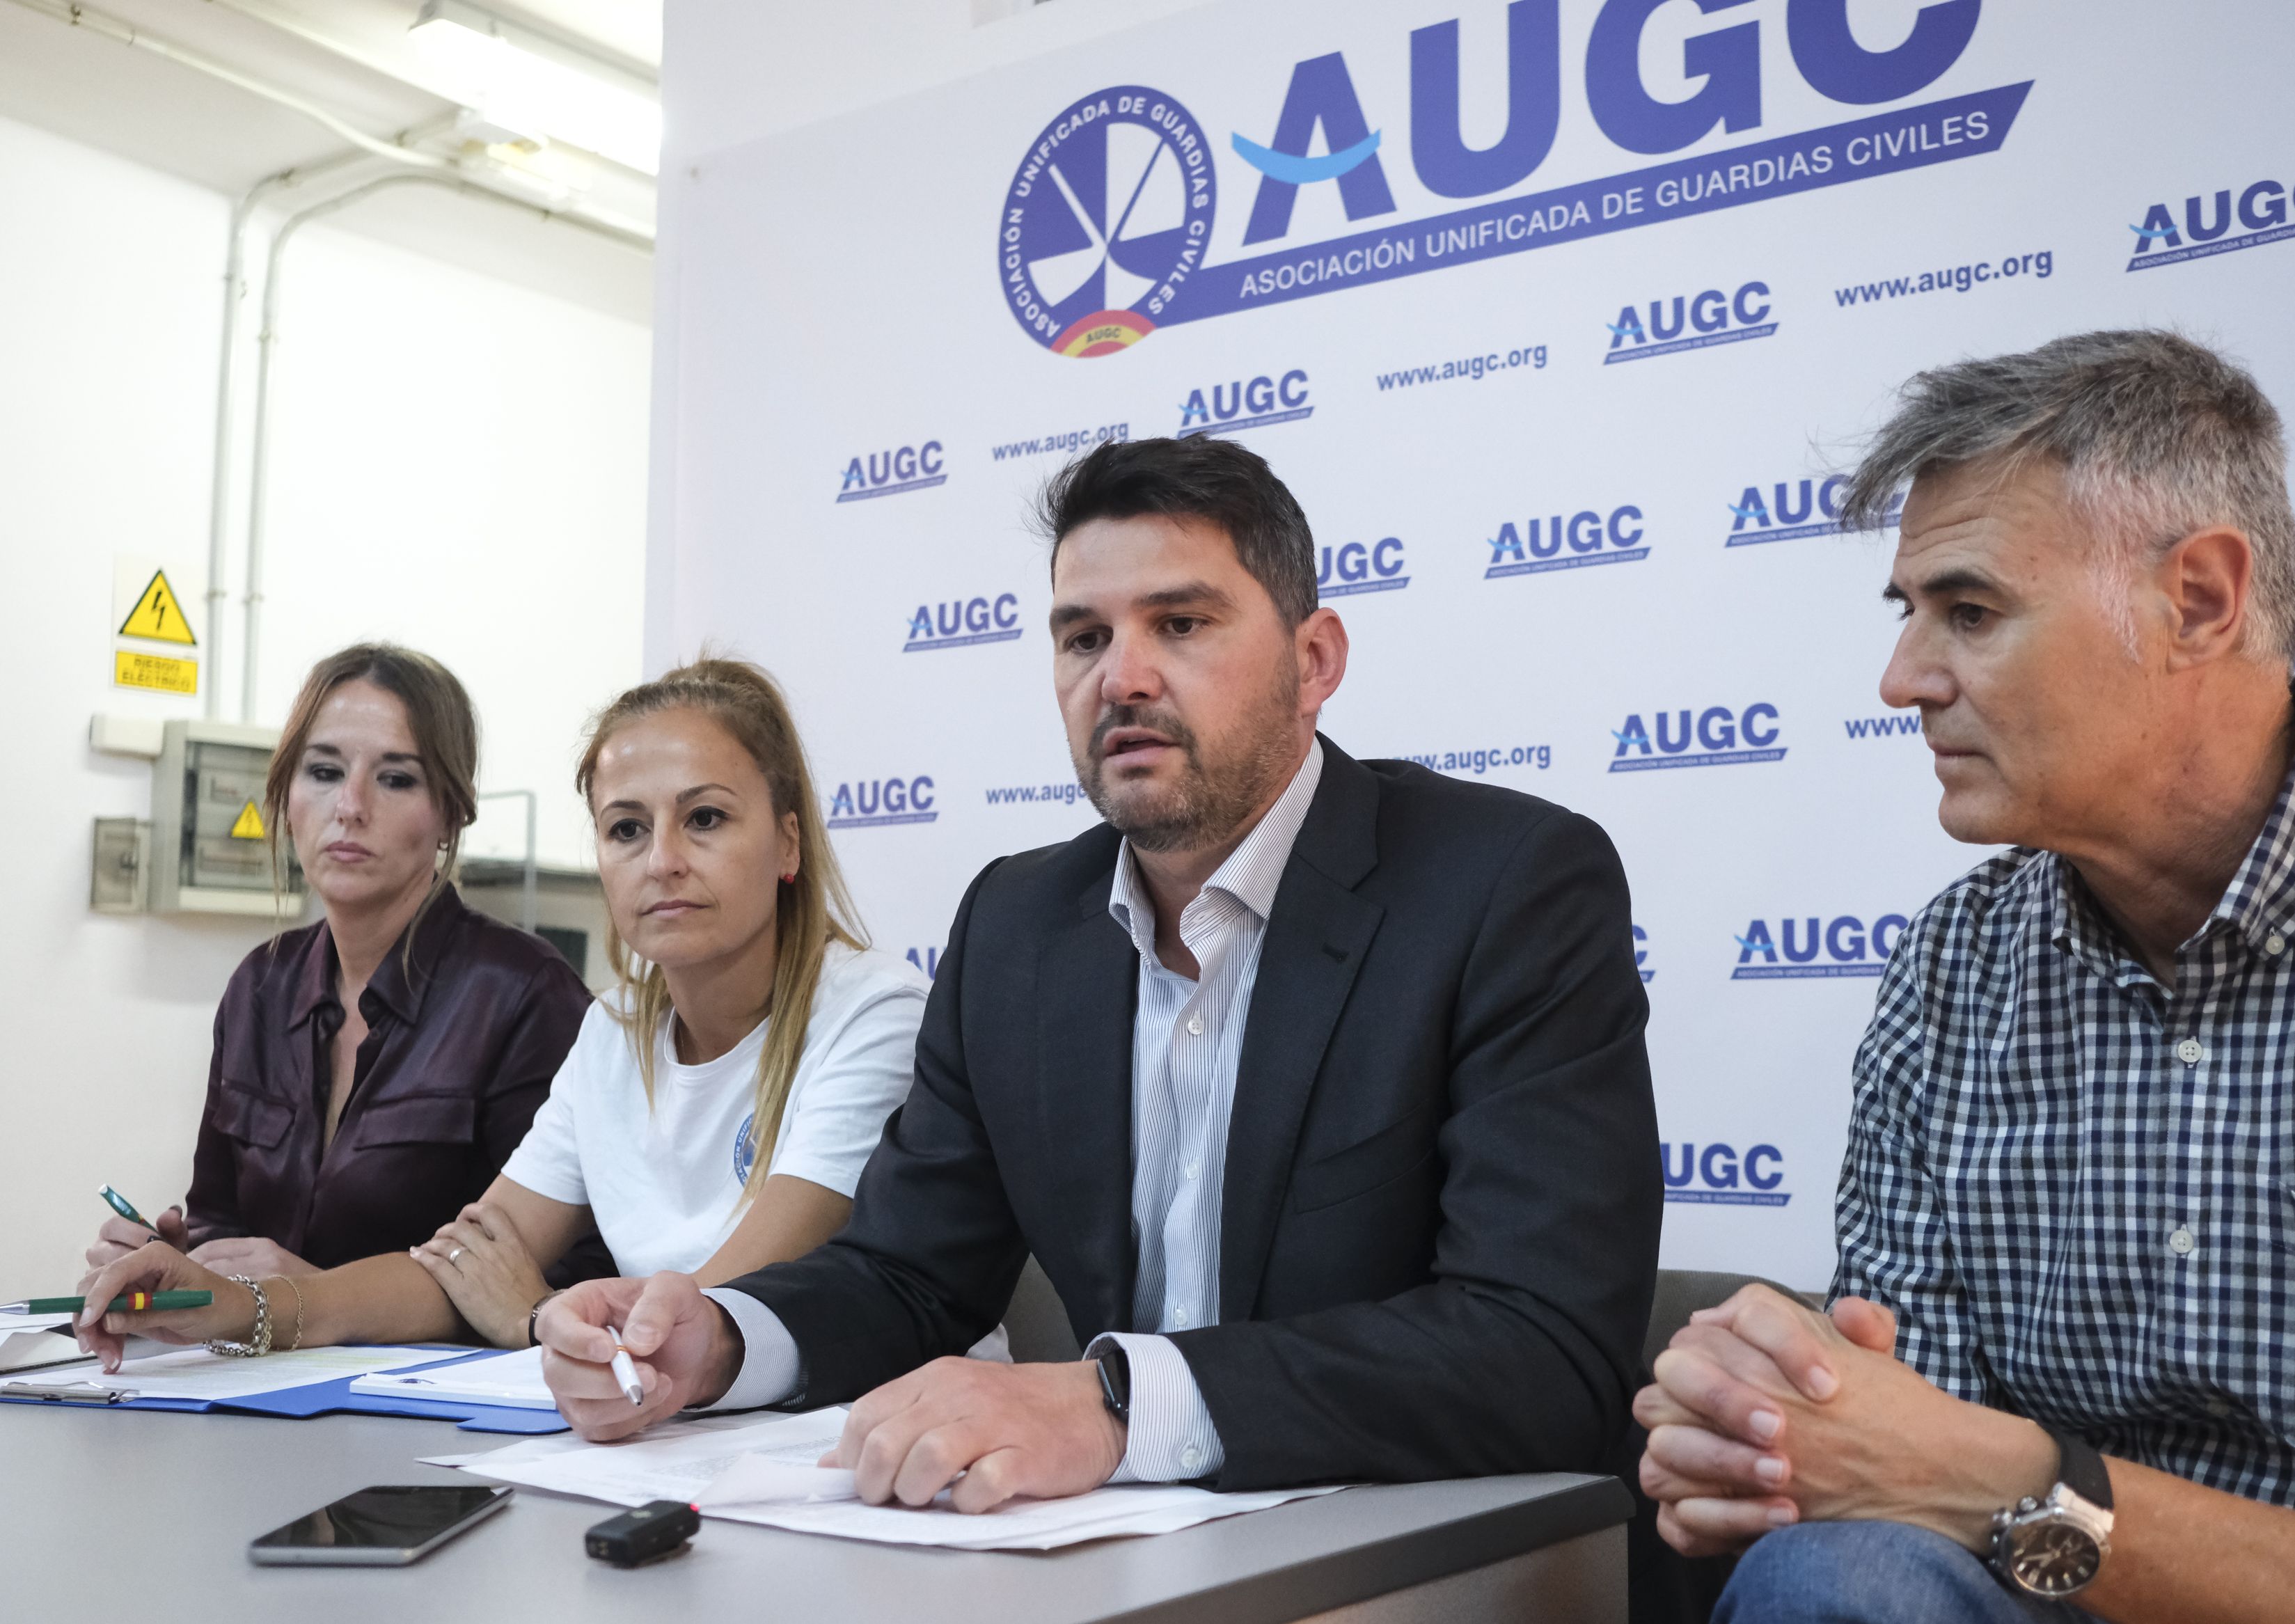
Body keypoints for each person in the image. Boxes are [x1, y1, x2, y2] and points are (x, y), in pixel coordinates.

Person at [534, 437, 1662, 1521]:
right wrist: (720, 1340)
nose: (1121, 676)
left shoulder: (1503, 885)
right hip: (1115, 1556)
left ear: (1314, 660)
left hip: (1420, 1552)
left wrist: (1115, 1402)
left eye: (1182, 623)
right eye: (1081, 638)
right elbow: (909, 1277)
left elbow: (1542, 1350)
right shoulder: (1019, 923)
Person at [1634, 331, 2295, 1621]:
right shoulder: (1950, 970)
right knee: (1832, 1576)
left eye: (1970, 610)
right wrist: (1764, 1435)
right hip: (2045, 1593)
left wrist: (2032, 1478)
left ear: (2201, 600)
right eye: (1908, 614)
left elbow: (1974, 1474)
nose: (1903, 680)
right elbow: (1904, 1476)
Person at [78, 659, 932, 1361]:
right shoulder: (615, 1030)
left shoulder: (872, 1015)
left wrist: (533, 1316)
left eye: (704, 818)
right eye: (626, 828)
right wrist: (242, 1306)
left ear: (787, 841)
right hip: (658, 1435)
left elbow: (705, 1314)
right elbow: (460, 1260)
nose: (662, 861)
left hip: (844, 1450)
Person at [80, 642, 591, 1289]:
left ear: (451, 812)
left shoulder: (525, 995)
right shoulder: (260, 986)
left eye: (396, 778)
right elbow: (221, 1220)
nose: (350, 805)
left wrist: (318, 1299)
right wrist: (177, 1263)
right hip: (264, 1382)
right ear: (286, 796)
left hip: (434, 1388)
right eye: (323, 772)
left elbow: (570, 1271)